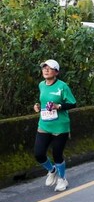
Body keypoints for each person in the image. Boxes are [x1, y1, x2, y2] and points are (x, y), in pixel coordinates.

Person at [33, 59, 77, 192]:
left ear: (56, 72)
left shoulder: (62, 86)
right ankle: (51, 170)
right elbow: (44, 101)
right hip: (44, 124)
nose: (46, 70)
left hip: (60, 126)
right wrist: (38, 106)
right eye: (44, 68)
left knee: (57, 154)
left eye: (49, 68)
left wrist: (58, 106)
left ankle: (62, 179)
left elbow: (73, 103)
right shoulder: (41, 85)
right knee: (38, 154)